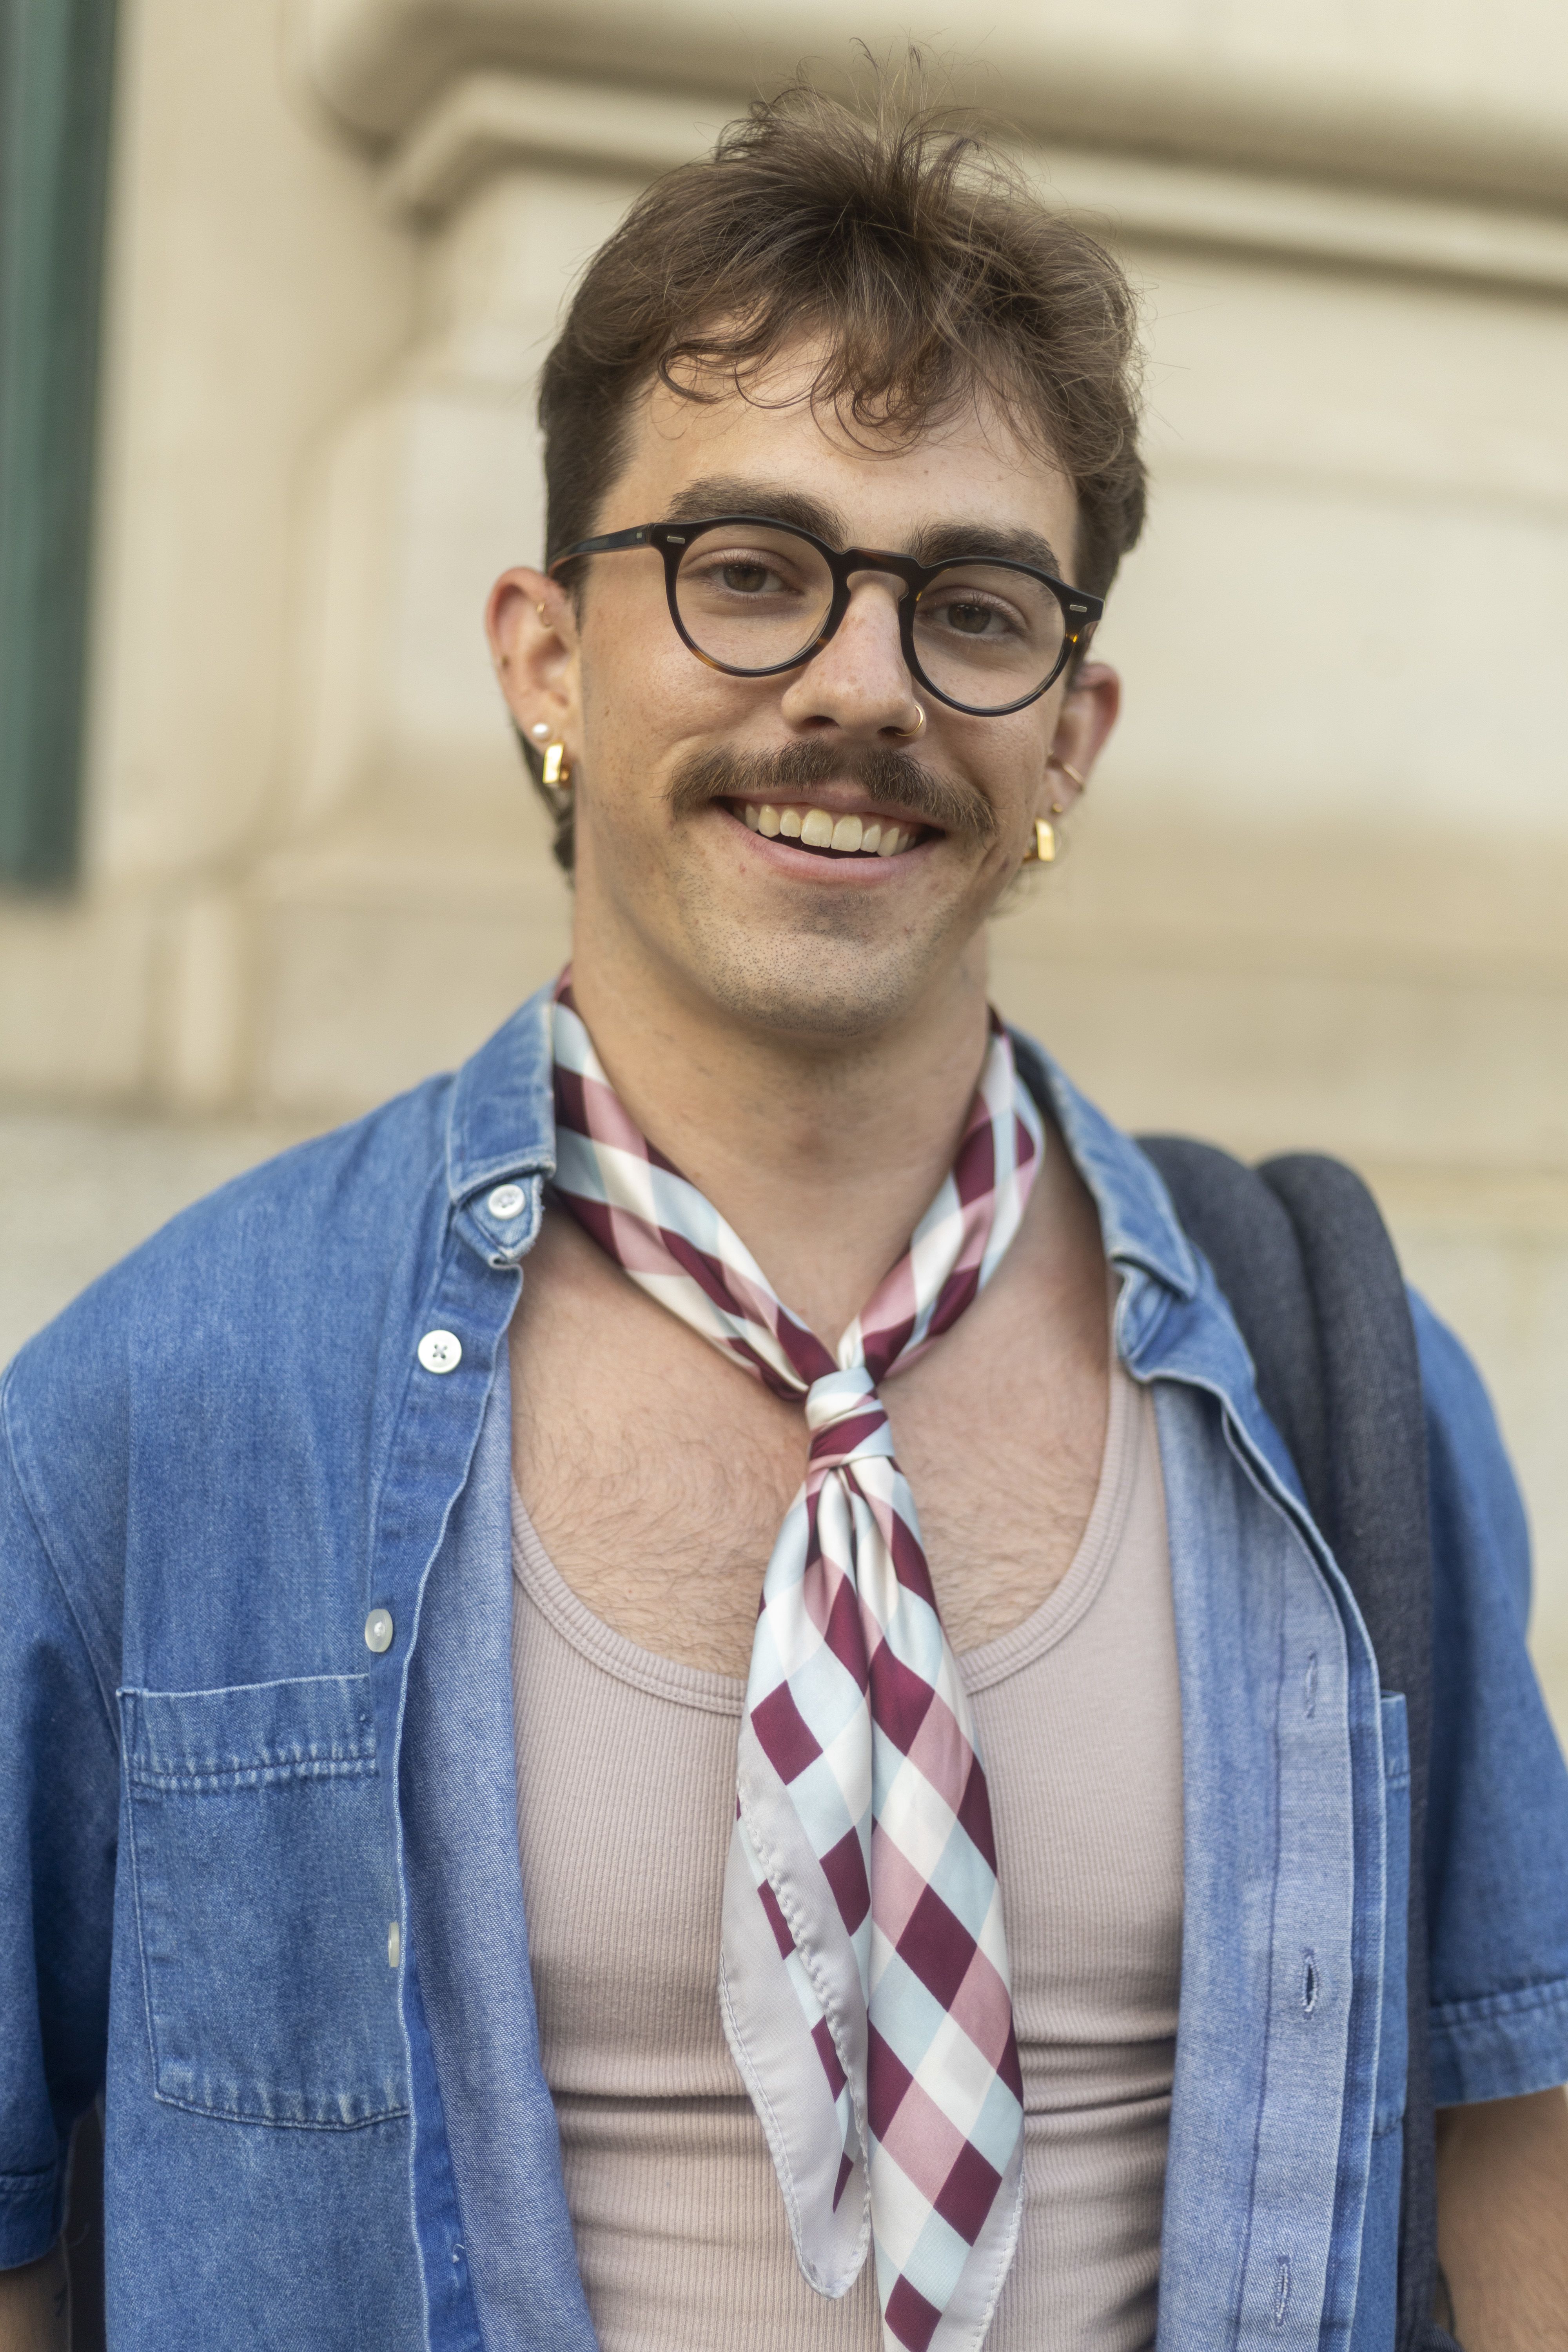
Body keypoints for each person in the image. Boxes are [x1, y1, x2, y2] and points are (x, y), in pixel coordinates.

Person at [3, 74, 1567, 2352]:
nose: (859, 685)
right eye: (747, 573)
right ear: (548, 655)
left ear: (1076, 733)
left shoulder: (1331, 1391)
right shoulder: (164, 1407)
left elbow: (1515, 2146)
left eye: (972, 604)